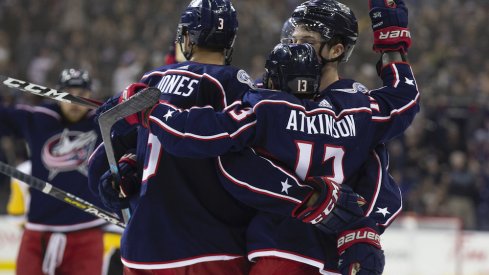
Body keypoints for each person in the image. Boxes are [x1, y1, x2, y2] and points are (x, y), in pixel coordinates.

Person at [141, 1, 418, 274]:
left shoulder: (267, 100)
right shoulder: (360, 107)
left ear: (336, 49)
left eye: (307, 40)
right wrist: (391, 43)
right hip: (314, 252)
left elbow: (219, 151)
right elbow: (404, 99)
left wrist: (151, 110)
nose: (295, 47)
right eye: (292, 38)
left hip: (281, 248)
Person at [88, 0, 257, 274]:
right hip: (209, 246)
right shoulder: (234, 83)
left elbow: (100, 164)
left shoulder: (151, 80)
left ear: (186, 36)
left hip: (142, 248)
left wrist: (124, 171)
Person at [0, 68, 105, 275]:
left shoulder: (103, 122)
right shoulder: (38, 118)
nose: (75, 101)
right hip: (38, 234)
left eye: (82, 94)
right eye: (68, 93)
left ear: (91, 96)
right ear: (57, 94)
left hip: (87, 233)